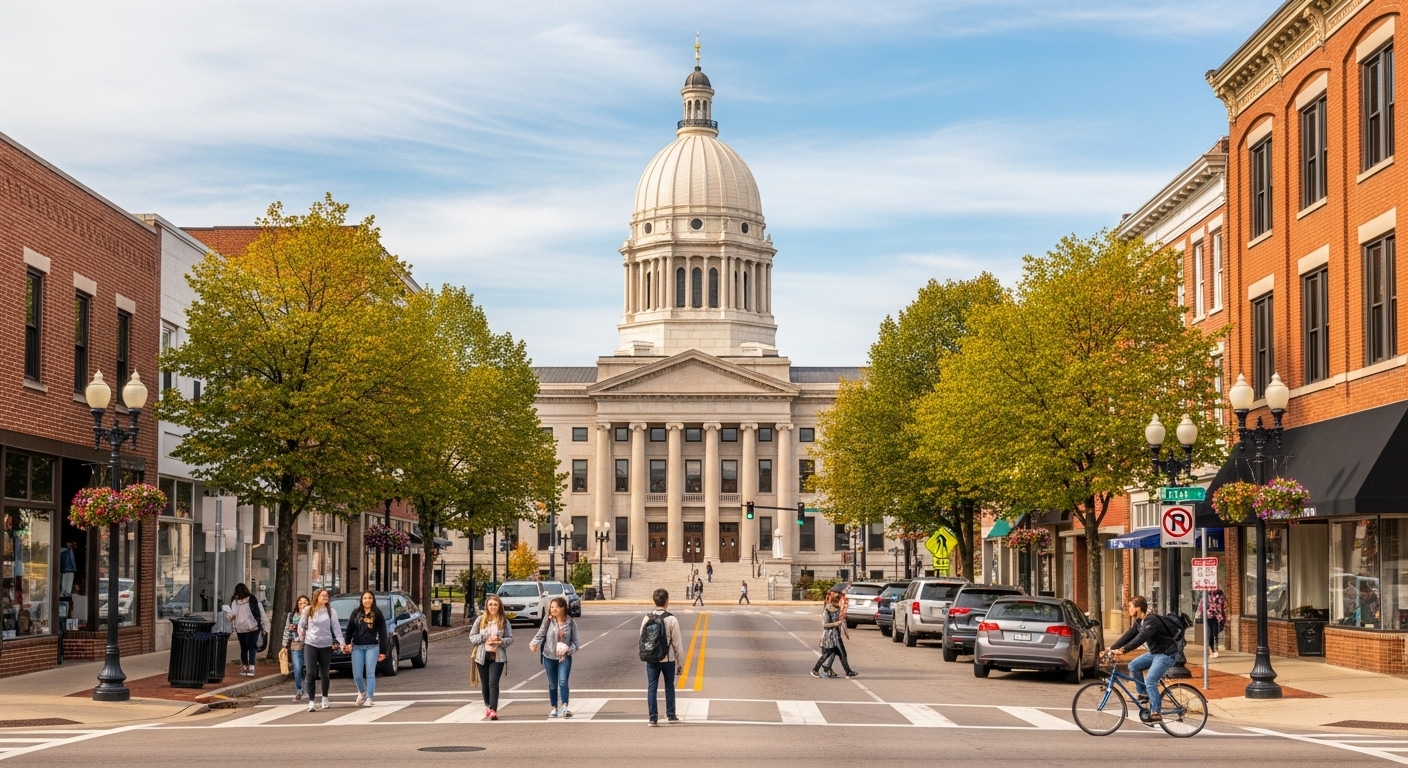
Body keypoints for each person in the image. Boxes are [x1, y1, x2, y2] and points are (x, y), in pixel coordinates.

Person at [1107, 595, 1179, 723]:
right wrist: (1111, 649)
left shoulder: (1151, 621)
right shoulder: (1140, 622)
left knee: (1151, 679)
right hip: (1155, 653)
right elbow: (1129, 635)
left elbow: (1140, 638)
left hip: (1166, 654)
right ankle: (1144, 693)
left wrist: (1124, 650)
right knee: (1133, 666)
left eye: (1130, 606)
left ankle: (1156, 712)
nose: (1128, 609)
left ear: (1138, 608)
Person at [640, 589, 684, 727]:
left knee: (652, 686)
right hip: (668, 658)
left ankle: (653, 718)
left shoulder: (647, 617)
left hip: (652, 658)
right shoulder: (672, 619)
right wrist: (680, 663)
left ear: (654, 601)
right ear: (667, 601)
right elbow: (677, 643)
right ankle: (671, 714)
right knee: (669, 686)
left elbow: (642, 637)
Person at [531, 596, 579, 718]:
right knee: (552, 683)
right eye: (552, 607)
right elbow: (541, 634)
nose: (553, 609)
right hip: (549, 656)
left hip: (564, 658)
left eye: (556, 607)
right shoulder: (548, 620)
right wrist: (534, 643)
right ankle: (554, 707)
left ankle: (565, 706)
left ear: (563, 608)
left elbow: (576, 643)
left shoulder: (571, 622)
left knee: (563, 682)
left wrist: (568, 650)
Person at [298, 588, 345, 711]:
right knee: (310, 673)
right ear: (316, 597)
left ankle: (325, 697)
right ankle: (311, 701)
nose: (325, 597)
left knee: (324, 673)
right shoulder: (308, 610)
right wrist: (301, 636)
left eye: (326, 595)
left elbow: (336, 628)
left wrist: (342, 643)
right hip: (310, 644)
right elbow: (301, 625)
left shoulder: (331, 611)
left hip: (325, 644)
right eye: (323, 595)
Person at [470, 594, 513, 720]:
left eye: (495, 604)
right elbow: (472, 637)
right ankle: (487, 705)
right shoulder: (480, 620)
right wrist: (484, 638)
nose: (493, 607)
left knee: (493, 682)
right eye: (490, 604)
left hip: (497, 656)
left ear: (499, 606)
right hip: (482, 655)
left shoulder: (504, 621)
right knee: (485, 684)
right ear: (486, 606)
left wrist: (501, 641)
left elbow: (510, 638)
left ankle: (493, 709)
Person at [344, 591, 389, 707]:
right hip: (357, 647)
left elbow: (383, 633)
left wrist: (383, 651)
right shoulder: (356, 613)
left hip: (372, 647)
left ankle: (369, 697)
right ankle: (362, 691)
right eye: (365, 598)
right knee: (357, 675)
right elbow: (349, 629)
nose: (367, 600)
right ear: (361, 600)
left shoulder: (377, 614)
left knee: (370, 673)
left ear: (373, 600)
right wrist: (347, 643)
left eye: (370, 598)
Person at [226, 583, 267, 677]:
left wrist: (230, 617)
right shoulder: (252, 599)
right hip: (253, 626)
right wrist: (262, 625)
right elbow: (258, 612)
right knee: (252, 647)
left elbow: (233, 614)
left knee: (244, 648)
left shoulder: (235, 601)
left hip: (241, 628)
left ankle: (245, 666)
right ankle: (251, 667)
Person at [812, 591, 856, 678]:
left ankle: (848, 672)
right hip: (830, 636)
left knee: (841, 654)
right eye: (838, 600)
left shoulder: (838, 609)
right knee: (829, 654)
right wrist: (836, 624)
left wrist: (845, 631)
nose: (840, 603)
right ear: (834, 601)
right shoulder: (827, 610)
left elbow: (842, 621)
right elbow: (825, 625)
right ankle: (815, 670)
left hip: (837, 635)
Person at [281, 595, 310, 702]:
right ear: (297, 604)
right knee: (297, 668)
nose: (303, 604)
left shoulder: (311, 614)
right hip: (295, 644)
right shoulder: (291, 615)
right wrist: (284, 645)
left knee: (308, 668)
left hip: (308, 643)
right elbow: (286, 630)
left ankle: (307, 689)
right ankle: (299, 690)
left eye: (305, 602)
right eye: (300, 602)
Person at [1196, 587, 1228, 658]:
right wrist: (1200, 615)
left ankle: (1215, 650)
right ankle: (1211, 651)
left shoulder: (1220, 593)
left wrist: (1223, 612)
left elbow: (1225, 604)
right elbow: (1201, 605)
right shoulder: (1206, 593)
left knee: (1216, 634)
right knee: (1209, 634)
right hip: (1208, 616)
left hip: (1218, 617)